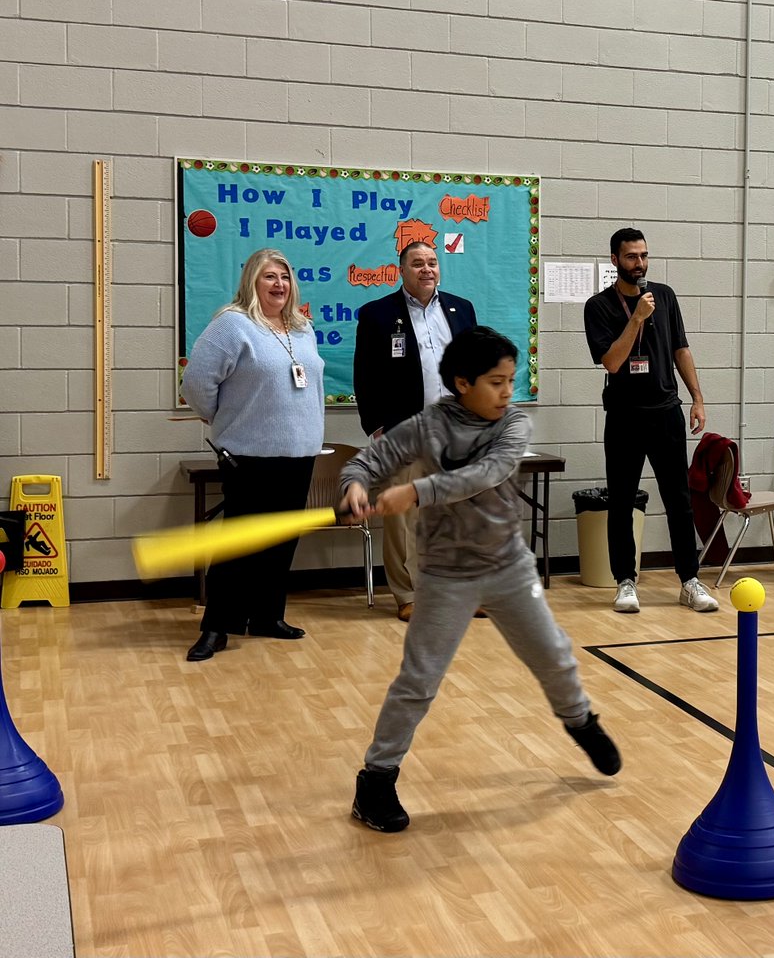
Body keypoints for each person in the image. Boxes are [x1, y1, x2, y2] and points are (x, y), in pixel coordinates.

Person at [339, 326, 620, 832]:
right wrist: (356, 486)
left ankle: (579, 719)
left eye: (511, 380)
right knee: (419, 680)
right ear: (462, 382)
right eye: (496, 382)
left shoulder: (512, 426)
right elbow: (369, 459)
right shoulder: (426, 425)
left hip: (508, 566)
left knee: (554, 656)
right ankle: (376, 780)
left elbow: (487, 474)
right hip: (446, 575)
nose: (507, 392)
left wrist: (417, 492)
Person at [179, 248, 325, 661]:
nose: (279, 284)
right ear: (251, 282)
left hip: (299, 453)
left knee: (281, 542)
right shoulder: (233, 325)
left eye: (284, 276)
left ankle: (266, 616)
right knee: (239, 544)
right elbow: (195, 384)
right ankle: (216, 627)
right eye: (269, 277)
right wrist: (219, 416)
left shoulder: (302, 327)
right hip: (250, 456)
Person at [583, 228, 719, 615]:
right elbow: (611, 361)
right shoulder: (599, 307)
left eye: (643, 255)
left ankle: (689, 581)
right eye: (630, 257)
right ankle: (626, 582)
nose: (639, 263)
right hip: (625, 417)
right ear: (615, 260)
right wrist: (637, 318)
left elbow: (681, 348)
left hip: (666, 413)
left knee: (678, 499)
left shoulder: (665, 295)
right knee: (622, 501)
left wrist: (697, 398)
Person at [353, 241, 477, 621]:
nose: (427, 269)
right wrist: (378, 427)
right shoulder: (377, 315)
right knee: (403, 518)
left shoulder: (461, 309)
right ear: (401, 270)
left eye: (433, 262)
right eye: (418, 263)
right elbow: (365, 376)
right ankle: (408, 594)